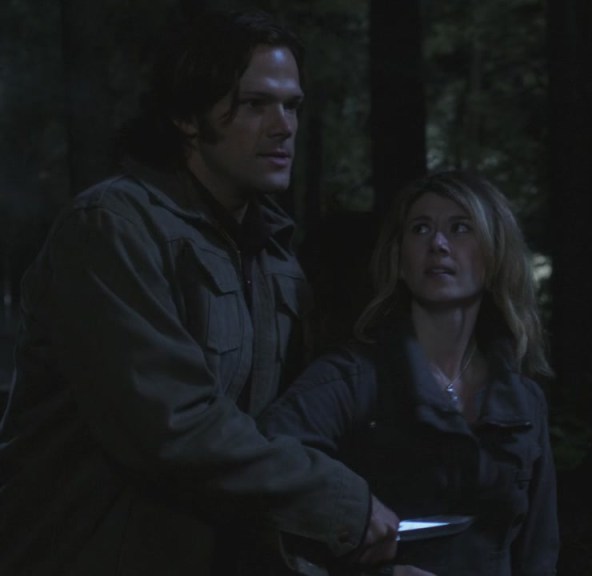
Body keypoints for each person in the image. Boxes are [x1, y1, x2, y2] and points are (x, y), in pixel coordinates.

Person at [0, 8, 398, 575]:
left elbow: (275, 436)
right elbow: (172, 426)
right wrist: (338, 501)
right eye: (256, 104)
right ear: (187, 117)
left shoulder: (276, 260)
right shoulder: (113, 228)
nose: (283, 126)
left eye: (292, 106)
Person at [259, 170, 561, 576]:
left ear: (495, 256)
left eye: (460, 228)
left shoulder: (523, 400)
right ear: (400, 260)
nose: (438, 244)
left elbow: (539, 551)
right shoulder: (351, 378)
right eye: (421, 229)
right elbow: (265, 467)